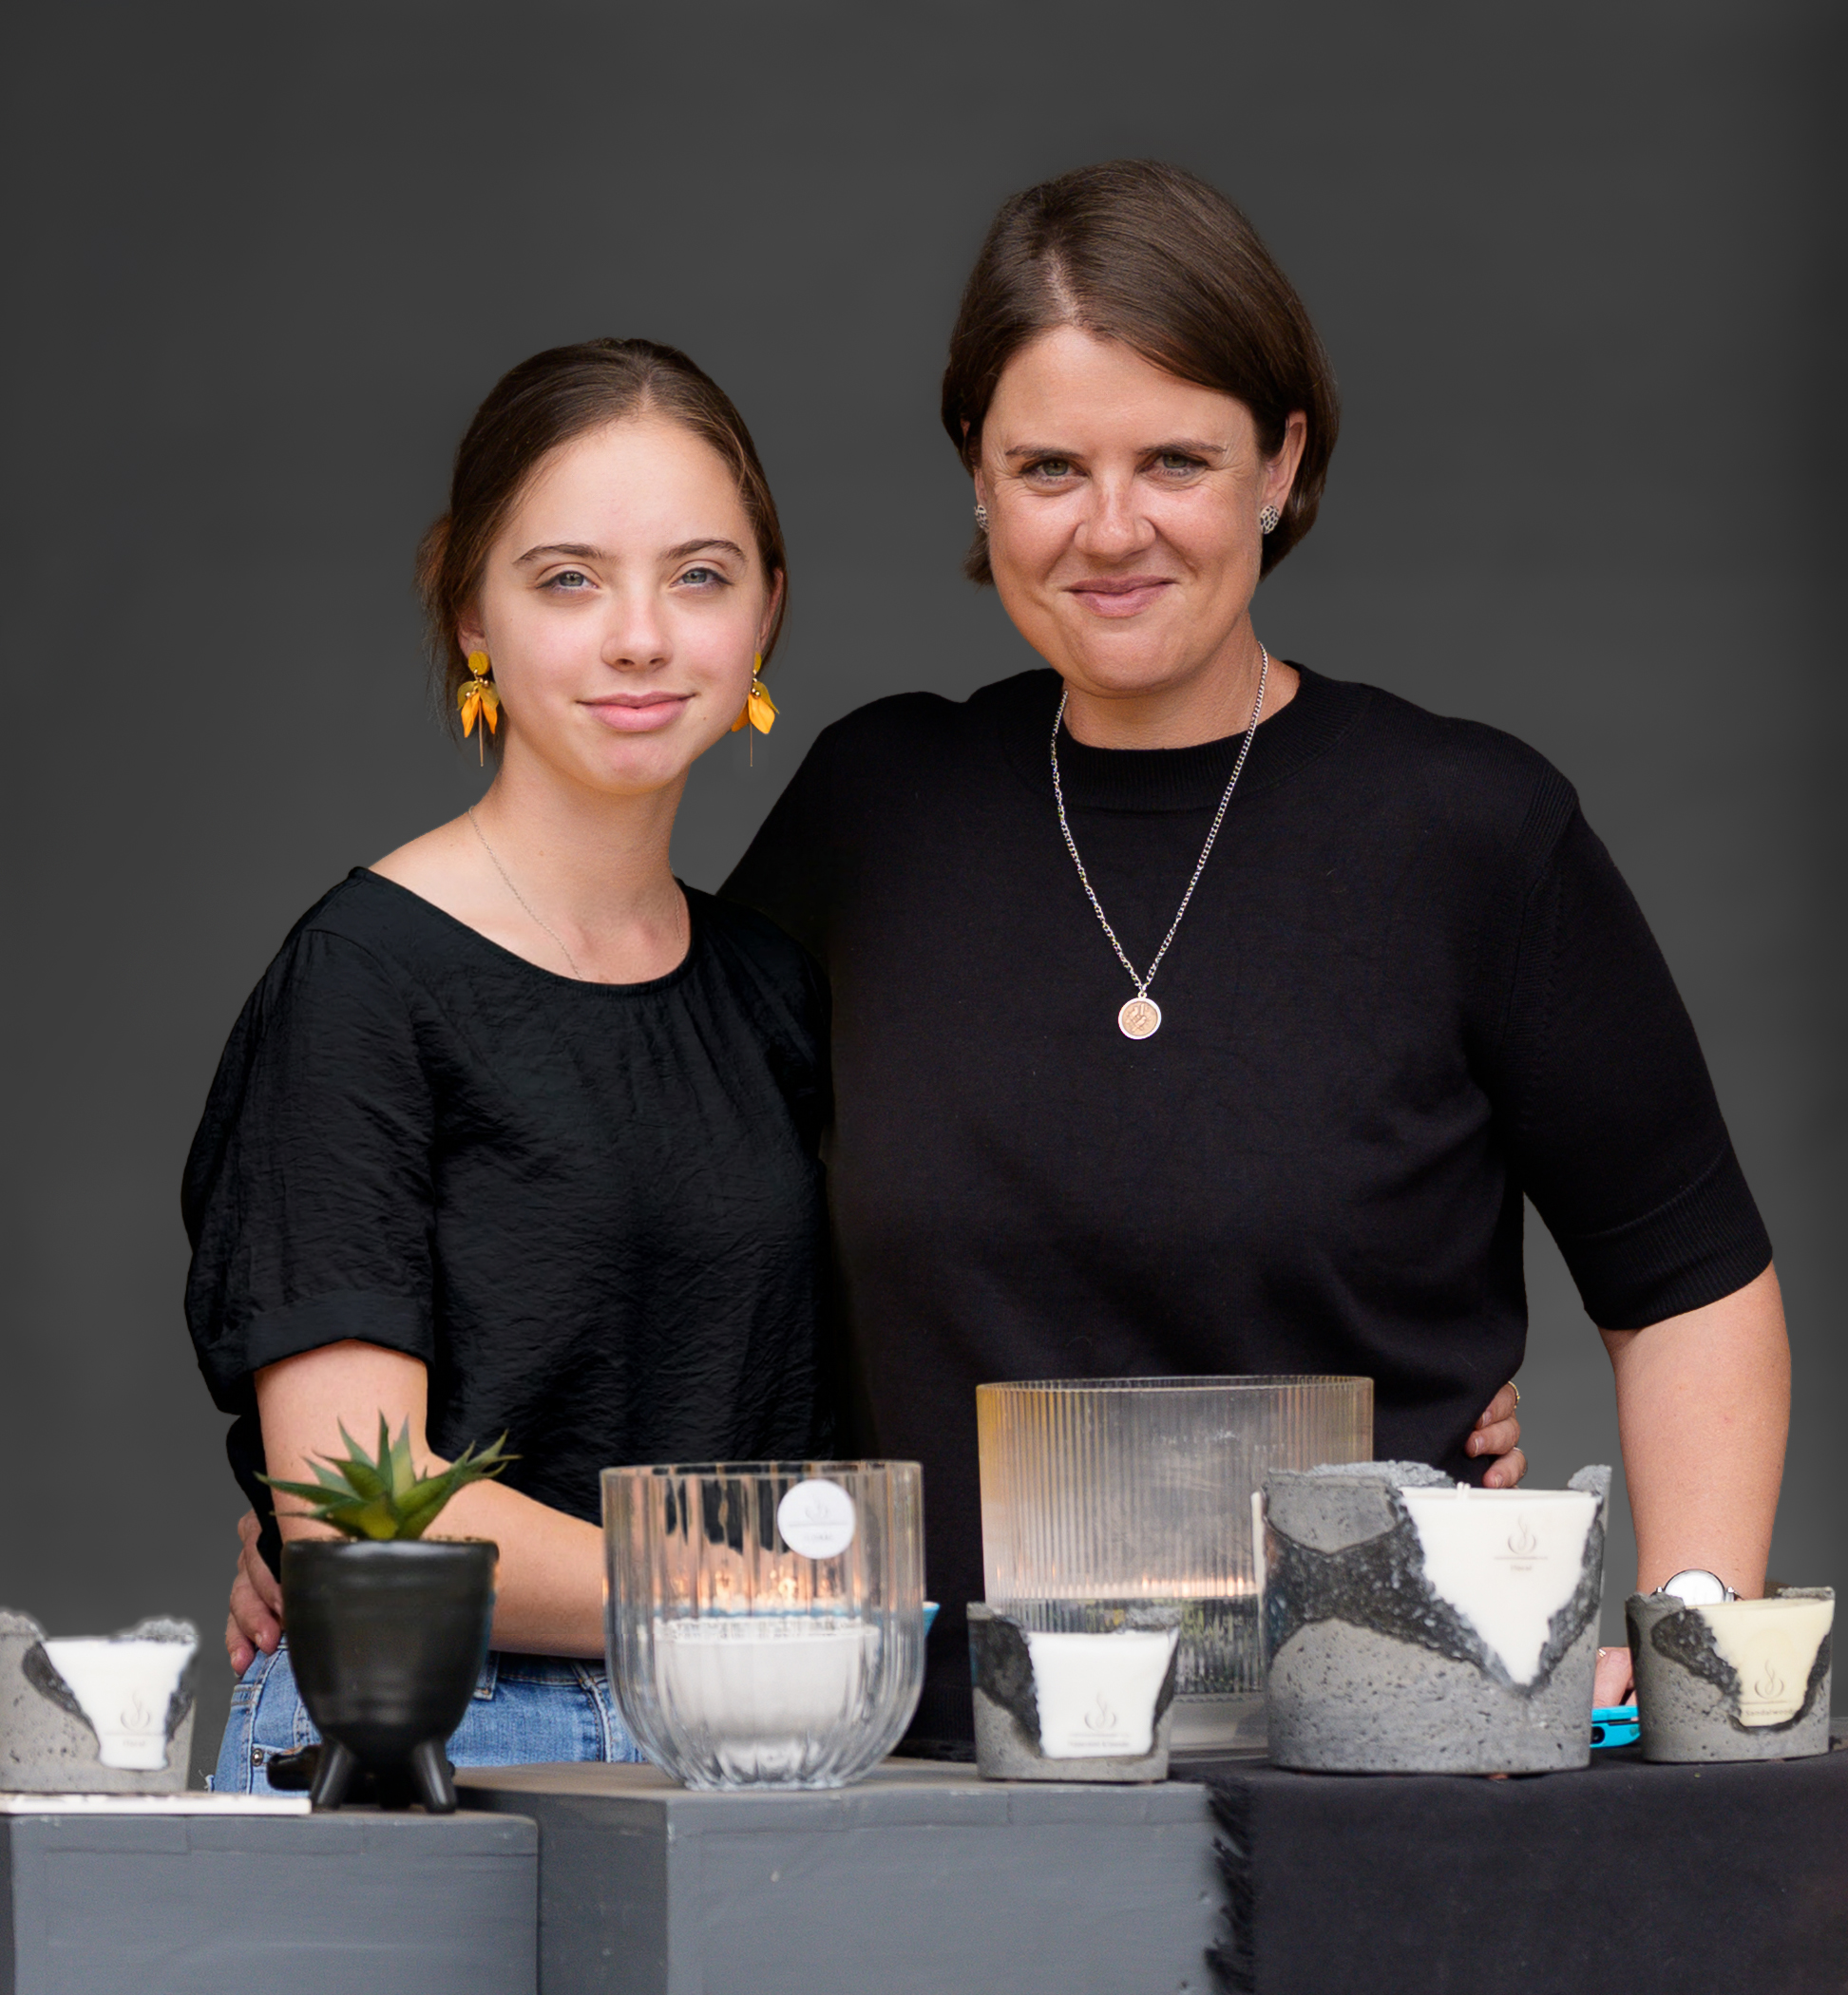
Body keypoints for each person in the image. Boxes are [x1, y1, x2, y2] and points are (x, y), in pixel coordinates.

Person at [719, 161, 1788, 1743]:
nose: (1110, 528)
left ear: (1279, 464)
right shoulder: (874, 810)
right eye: (1047, 467)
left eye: (1176, 459)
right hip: (934, 1772)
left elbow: (1688, 1284)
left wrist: (1685, 1635)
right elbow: (672, 1194)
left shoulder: (1466, 827)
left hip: (1393, 1763)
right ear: (977, 481)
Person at [187, 338, 829, 1791]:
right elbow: (360, 1518)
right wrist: (768, 1590)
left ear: (766, 614)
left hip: (745, 1743)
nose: (640, 638)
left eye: (700, 575)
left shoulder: (772, 989)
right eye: (567, 579)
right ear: (470, 608)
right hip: (429, 1727)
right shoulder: (362, 980)